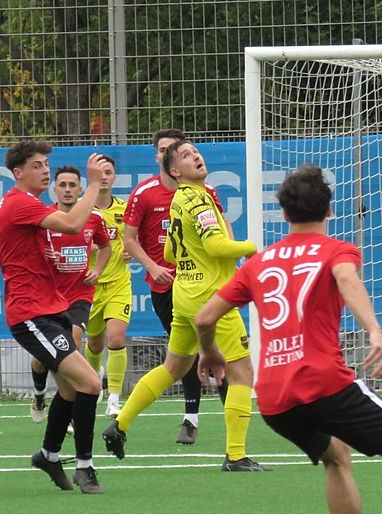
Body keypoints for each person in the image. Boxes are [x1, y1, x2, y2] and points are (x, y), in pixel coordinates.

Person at [195, 165, 382, 514]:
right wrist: (374, 329)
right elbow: (346, 279)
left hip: (275, 400)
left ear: (284, 214)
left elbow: (203, 318)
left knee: (336, 457)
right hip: (324, 384)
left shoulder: (258, 263)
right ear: (329, 210)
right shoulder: (336, 250)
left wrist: (210, 352)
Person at [0, 142, 108, 493]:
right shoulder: (19, 204)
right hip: (31, 314)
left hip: (52, 308)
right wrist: (94, 183)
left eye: (46, 163)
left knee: (69, 389)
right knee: (91, 384)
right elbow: (73, 223)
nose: (45, 170)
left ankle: (48, 455)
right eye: (37, 165)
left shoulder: (21, 206)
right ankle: (85, 467)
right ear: (18, 173)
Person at [102, 140, 262, 472]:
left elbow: (171, 253)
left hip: (184, 292)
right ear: (175, 170)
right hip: (211, 296)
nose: (196, 156)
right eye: (186, 156)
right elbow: (216, 246)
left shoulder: (178, 198)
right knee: (241, 371)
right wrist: (251, 247)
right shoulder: (200, 200)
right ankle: (236, 456)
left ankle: (120, 424)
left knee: (173, 366)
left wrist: (195, 257)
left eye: (195, 152)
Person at [124, 129, 231, 444]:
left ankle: (232, 424)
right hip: (167, 287)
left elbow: (222, 226)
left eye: (176, 148)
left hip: (205, 285)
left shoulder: (205, 191)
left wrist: (230, 254)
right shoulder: (144, 193)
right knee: (184, 356)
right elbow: (129, 239)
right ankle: (190, 418)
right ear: (159, 158)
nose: (168, 153)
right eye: (163, 149)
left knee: (221, 350)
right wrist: (153, 266)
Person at [30, 167, 112, 423]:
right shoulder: (44, 218)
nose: (67, 190)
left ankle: (71, 405)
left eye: (72, 185)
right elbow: (29, 254)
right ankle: (39, 394)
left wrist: (97, 270)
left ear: (81, 189)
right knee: (40, 360)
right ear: (54, 189)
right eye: (63, 185)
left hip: (79, 294)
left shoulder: (93, 218)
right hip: (49, 297)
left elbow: (106, 247)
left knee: (72, 345)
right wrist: (46, 258)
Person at [81, 155, 133, 419]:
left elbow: (134, 239)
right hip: (89, 286)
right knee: (95, 343)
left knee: (116, 338)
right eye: (99, 172)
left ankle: (114, 399)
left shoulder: (125, 209)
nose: (103, 177)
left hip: (118, 284)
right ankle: (92, 383)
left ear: (114, 177)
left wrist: (131, 251)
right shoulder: (80, 210)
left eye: (108, 172)